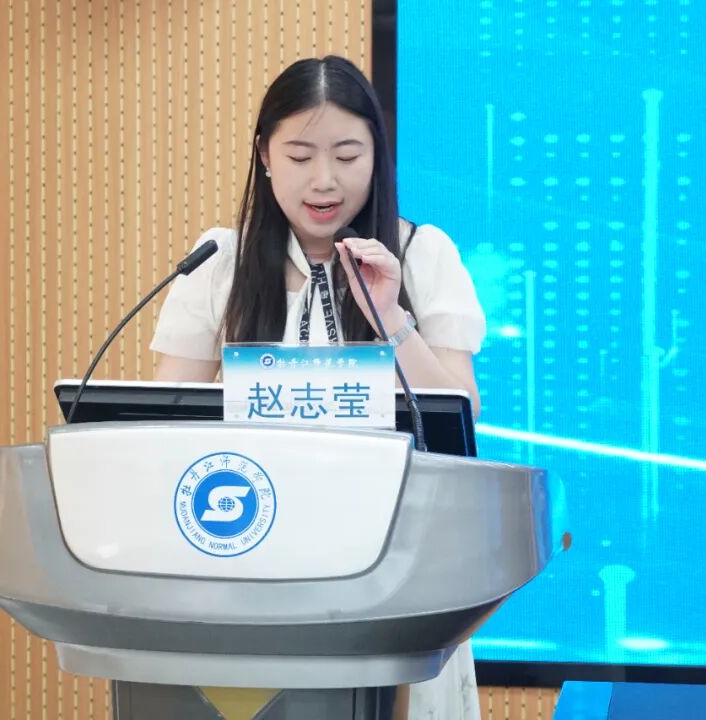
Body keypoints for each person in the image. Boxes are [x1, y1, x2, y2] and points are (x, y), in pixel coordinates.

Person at [150, 55, 485, 720]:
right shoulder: (220, 263)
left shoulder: (423, 254)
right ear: (264, 156)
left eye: (348, 155)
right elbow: (162, 429)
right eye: (300, 156)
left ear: (377, 157)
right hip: (250, 573)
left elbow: (459, 420)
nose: (325, 180)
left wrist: (390, 318)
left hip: (398, 584)